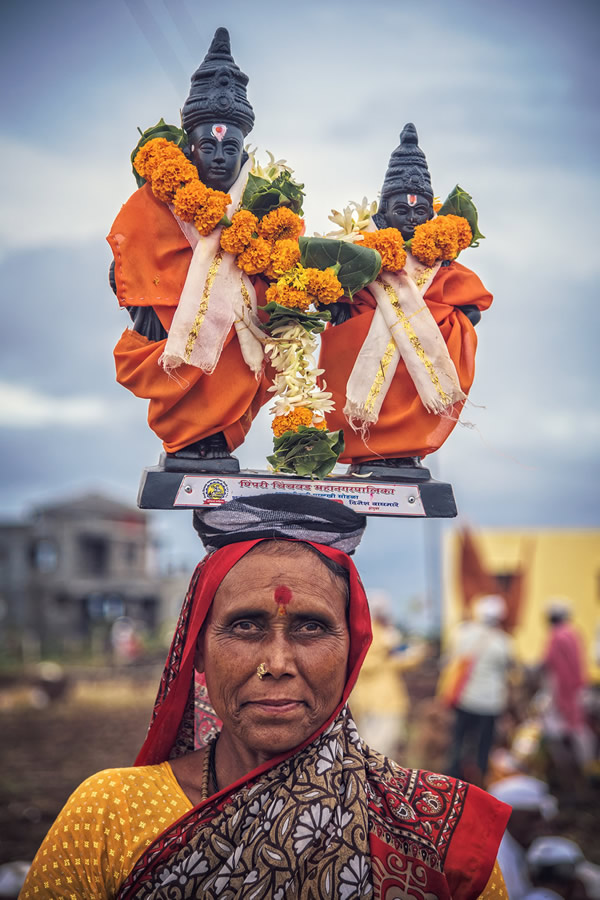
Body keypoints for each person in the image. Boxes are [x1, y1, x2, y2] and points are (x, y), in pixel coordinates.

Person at [21, 494, 511, 898]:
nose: (277, 663)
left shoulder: (436, 837)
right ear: (197, 653)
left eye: (311, 627)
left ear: (354, 652)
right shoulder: (111, 814)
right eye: (246, 626)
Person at [108, 28, 271, 468]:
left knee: (237, 356)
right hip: (171, 322)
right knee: (175, 358)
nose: (219, 156)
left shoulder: (266, 207)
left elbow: (282, 271)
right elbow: (133, 250)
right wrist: (137, 287)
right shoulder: (157, 201)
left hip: (236, 334)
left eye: (230, 147)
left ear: (245, 153)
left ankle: (218, 434)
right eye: (207, 145)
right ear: (189, 149)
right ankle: (187, 437)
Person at [318, 123, 493, 474]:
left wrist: (460, 317)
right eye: (402, 211)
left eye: (419, 212)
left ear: (431, 215)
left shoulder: (440, 259)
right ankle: (368, 449)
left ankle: (406, 451)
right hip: (366, 336)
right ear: (384, 213)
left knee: (441, 341)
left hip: (421, 349)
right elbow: (337, 287)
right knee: (347, 341)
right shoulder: (363, 251)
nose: (412, 219)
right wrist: (337, 304)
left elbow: (465, 292)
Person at [446, 595, 514, 783]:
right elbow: (510, 666)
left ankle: (452, 782)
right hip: (490, 703)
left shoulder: (461, 633)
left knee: (458, 742)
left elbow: (451, 658)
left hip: (465, 698)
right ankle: (480, 782)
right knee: (483, 746)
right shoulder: (503, 641)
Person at [541, 597, 593, 781]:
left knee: (558, 730)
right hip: (576, 690)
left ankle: (571, 772)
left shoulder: (556, 636)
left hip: (563, 691)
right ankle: (585, 771)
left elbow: (549, 664)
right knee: (578, 729)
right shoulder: (573, 633)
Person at [489, 775, 557, 899]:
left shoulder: (518, 845)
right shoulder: (497, 860)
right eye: (533, 818)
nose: (541, 824)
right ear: (508, 816)